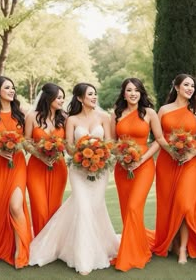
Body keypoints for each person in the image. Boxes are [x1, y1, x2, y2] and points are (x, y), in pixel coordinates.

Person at [29, 82, 119, 275]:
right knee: (83, 208)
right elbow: (68, 146)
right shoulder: (71, 120)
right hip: (78, 169)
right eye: (90, 94)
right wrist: (83, 153)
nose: (94, 97)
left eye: (95, 94)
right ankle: (84, 258)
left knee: (95, 208)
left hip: (101, 169)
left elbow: (110, 142)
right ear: (79, 98)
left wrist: (100, 153)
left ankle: (99, 246)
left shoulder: (104, 117)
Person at [110, 77, 168, 271]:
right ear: (123, 93)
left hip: (143, 167)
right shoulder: (116, 114)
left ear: (141, 93)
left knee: (134, 207)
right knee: (127, 211)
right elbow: (111, 142)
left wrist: (141, 160)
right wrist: (122, 159)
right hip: (122, 168)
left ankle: (131, 255)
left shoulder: (150, 113)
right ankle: (138, 244)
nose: (133, 93)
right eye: (129, 90)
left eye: (136, 90)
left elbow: (159, 140)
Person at [0, 76, 32, 269]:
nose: (11, 90)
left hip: (17, 163)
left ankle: (21, 251)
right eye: (7, 87)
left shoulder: (22, 112)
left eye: (13, 87)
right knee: (0, 206)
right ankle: (1, 245)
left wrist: (20, 147)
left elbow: (26, 139)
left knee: (16, 206)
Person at [153, 73, 196, 264]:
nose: (190, 88)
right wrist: (172, 151)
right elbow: (158, 136)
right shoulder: (163, 110)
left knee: (184, 204)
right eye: (186, 84)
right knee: (169, 204)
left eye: (193, 86)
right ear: (177, 87)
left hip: (191, 162)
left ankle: (182, 249)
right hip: (167, 162)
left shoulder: (195, 110)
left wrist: (191, 153)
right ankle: (172, 240)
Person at [25, 83, 67, 237]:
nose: (62, 101)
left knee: (55, 207)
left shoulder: (64, 118)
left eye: (63, 98)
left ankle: (53, 244)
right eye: (59, 97)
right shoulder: (32, 116)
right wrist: (40, 155)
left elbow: (68, 143)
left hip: (58, 167)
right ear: (49, 98)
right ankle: (40, 245)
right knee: (39, 207)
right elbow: (26, 141)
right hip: (36, 166)